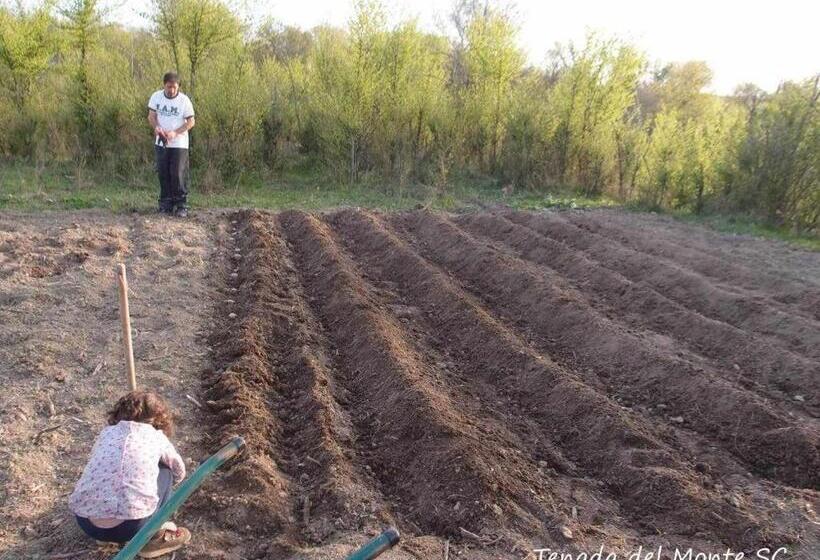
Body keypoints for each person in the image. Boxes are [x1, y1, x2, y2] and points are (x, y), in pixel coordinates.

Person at [69, 391, 192, 558]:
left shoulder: (106, 434)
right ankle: (153, 537)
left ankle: (106, 532)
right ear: (160, 419)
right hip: (133, 527)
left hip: (86, 522)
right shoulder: (157, 437)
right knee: (166, 469)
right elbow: (179, 470)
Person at [147, 72, 195, 217]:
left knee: (177, 173)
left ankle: (181, 205)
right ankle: (165, 204)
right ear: (164, 85)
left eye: (174, 87)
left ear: (178, 86)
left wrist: (175, 133)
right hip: (161, 140)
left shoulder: (184, 100)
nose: (171, 90)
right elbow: (151, 116)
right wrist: (157, 127)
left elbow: (191, 122)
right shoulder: (156, 97)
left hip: (179, 143)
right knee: (163, 172)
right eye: (169, 87)